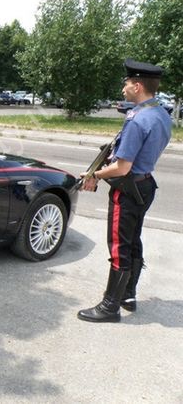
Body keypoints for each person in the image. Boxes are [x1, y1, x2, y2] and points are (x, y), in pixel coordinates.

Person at [78, 58, 172, 323]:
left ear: (138, 86)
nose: (124, 88)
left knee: (120, 245)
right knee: (133, 240)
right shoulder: (162, 114)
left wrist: (93, 175)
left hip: (128, 190)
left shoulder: (137, 120)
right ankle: (128, 294)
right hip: (145, 186)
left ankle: (110, 307)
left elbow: (121, 167)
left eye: (127, 83)